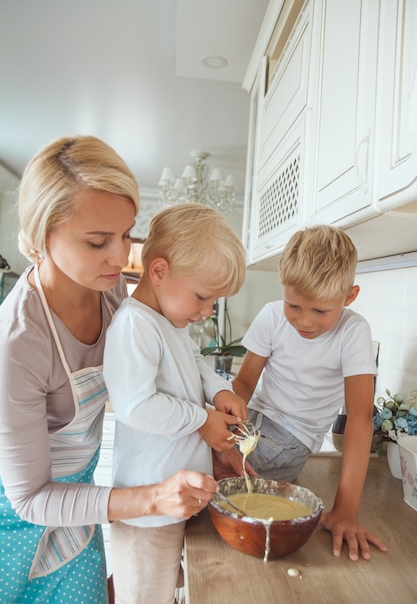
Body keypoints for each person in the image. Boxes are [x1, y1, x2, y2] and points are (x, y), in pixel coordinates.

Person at [0, 136, 218, 604]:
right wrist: (152, 499)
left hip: (78, 505)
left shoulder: (113, 293)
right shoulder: (17, 342)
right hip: (15, 523)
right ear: (42, 236)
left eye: (126, 234)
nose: (121, 259)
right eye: (98, 241)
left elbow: (169, 360)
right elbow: (31, 497)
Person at [103, 203, 248, 604]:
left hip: (174, 502)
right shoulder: (135, 325)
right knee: (144, 596)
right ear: (159, 272)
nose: (206, 312)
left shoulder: (168, 322)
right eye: (203, 297)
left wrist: (219, 391)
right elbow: (135, 405)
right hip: (148, 510)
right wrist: (202, 418)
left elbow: (196, 364)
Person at [232, 225, 388, 562]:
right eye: (294, 305)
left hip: (290, 440)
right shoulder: (272, 316)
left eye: (320, 311)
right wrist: (219, 417)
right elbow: (243, 385)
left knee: (213, 477)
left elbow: (360, 418)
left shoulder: (353, 331)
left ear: (349, 297)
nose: (304, 321)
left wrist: (345, 510)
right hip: (251, 420)